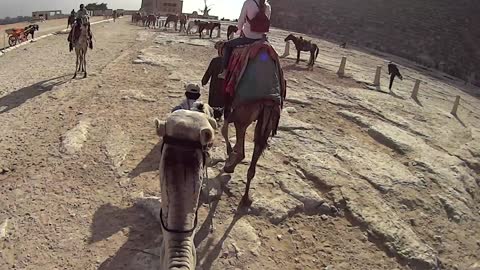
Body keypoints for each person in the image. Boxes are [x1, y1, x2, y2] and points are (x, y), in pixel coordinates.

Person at [218, 0, 272, 79]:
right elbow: (266, 22)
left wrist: (239, 30)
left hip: (248, 37)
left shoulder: (248, 2)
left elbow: (241, 20)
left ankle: (225, 72)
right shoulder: (268, 6)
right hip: (262, 38)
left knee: (227, 45)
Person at [202, 41, 226, 120]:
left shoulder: (215, 60)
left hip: (215, 85)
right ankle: (220, 114)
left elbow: (209, 72)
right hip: (225, 86)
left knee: (213, 101)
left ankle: (213, 115)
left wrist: (204, 81)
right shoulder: (230, 61)